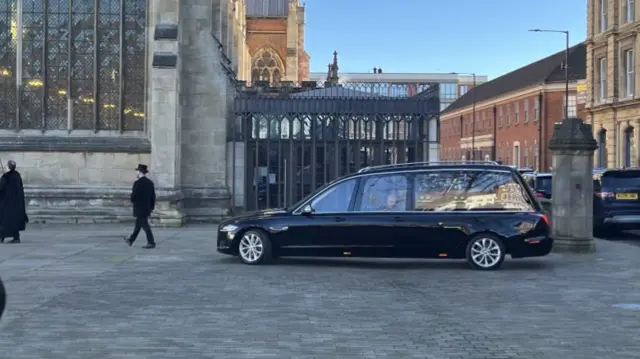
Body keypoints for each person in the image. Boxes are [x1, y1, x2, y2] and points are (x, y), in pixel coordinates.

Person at [123, 164, 156, 249]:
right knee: (138, 225)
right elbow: (153, 196)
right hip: (147, 207)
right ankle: (131, 239)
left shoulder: (137, 183)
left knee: (145, 225)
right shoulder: (150, 183)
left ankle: (151, 242)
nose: (137, 173)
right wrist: (151, 207)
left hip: (139, 207)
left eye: (137, 171)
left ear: (140, 172)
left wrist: (133, 201)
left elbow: (133, 196)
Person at [0, 160, 28, 243]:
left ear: (8, 167)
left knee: (5, 219)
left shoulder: (6, 177)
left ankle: (4, 236)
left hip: (7, 202)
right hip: (16, 203)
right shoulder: (17, 176)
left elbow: (1, 188)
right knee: (13, 220)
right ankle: (15, 237)